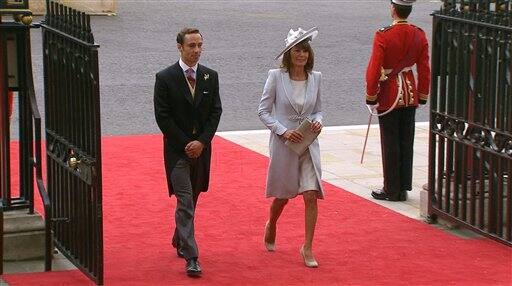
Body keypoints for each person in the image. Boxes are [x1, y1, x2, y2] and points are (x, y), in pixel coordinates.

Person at [154, 27, 222, 277]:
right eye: (191, 46)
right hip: (177, 152)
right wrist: (186, 144)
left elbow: (216, 112)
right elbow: (163, 116)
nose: (196, 51)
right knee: (185, 199)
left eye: (199, 45)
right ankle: (191, 256)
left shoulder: (210, 76)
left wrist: (202, 142)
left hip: (202, 150)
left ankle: (179, 238)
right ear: (179, 47)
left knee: (193, 197)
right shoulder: (165, 78)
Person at [258, 27, 324, 268]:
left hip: (308, 144)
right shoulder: (276, 76)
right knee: (284, 195)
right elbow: (263, 112)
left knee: (310, 194)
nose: (301, 55)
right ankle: (272, 223)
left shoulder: (316, 77)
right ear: (289, 53)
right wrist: (283, 131)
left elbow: (318, 109)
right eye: (297, 50)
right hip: (285, 144)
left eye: (305, 51)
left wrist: (318, 122)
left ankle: (307, 246)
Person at [365, 0, 430, 201]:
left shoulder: (383, 34)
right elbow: (425, 68)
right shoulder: (419, 34)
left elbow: (374, 68)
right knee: (406, 141)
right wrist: (422, 94)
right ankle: (403, 187)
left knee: (390, 142)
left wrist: (371, 95)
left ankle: (391, 189)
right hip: (410, 94)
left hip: (390, 94)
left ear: (393, 9)